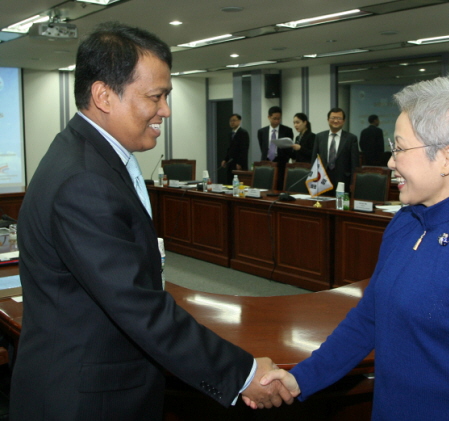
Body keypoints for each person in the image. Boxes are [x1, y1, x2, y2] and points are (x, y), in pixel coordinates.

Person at [10, 22, 292, 420]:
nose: (166, 110)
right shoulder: (84, 181)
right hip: (84, 400)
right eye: (155, 97)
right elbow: (138, 308)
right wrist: (243, 374)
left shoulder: (88, 155)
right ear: (104, 96)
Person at [262, 76, 449, 420]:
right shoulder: (406, 221)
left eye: (401, 149)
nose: (391, 161)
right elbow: (367, 319)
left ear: (448, 158)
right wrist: (300, 378)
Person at [310, 107, 359, 192]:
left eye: (339, 118)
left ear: (343, 121)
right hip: (322, 180)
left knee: (341, 204)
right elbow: (314, 159)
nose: (335, 121)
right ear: (328, 120)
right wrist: (313, 179)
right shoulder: (319, 137)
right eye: (333, 118)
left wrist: (353, 182)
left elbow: (355, 163)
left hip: (343, 180)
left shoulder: (351, 138)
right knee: (323, 204)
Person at [257, 106, 294, 189]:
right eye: (274, 118)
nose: (277, 121)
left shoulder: (287, 131)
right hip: (266, 163)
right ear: (269, 117)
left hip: (281, 163)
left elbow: (289, 149)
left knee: (280, 187)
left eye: (279, 118)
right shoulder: (262, 132)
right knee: (266, 187)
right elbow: (262, 147)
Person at [222, 113, 250, 182]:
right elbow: (229, 148)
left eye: (234, 120)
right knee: (229, 183)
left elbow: (244, 149)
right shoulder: (230, 134)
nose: (232, 122)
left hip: (239, 164)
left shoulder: (243, 133)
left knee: (239, 183)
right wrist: (225, 159)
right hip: (230, 162)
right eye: (230, 121)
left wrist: (240, 163)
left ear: (239, 121)